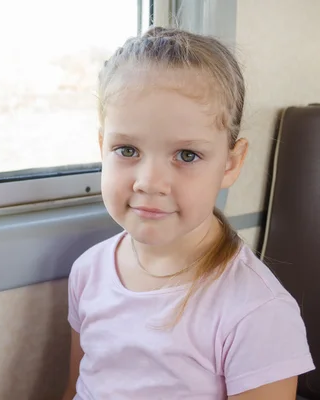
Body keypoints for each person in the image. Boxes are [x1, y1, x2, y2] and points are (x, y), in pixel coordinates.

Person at [62, 27, 314, 400]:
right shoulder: (88, 271)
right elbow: (76, 388)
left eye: (187, 155)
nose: (149, 182)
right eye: (127, 150)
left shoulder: (257, 312)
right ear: (103, 146)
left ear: (231, 163)